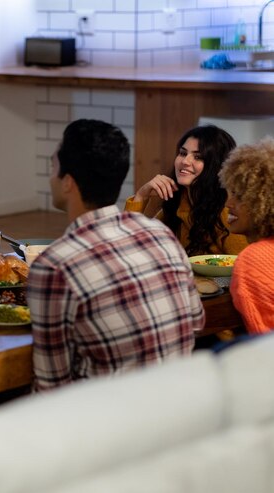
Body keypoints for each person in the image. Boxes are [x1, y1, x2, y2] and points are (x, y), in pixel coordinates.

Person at [27, 119, 204, 392]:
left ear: (68, 183)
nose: (51, 176)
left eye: (53, 167)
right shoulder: (161, 234)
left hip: (113, 426)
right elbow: (195, 322)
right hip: (181, 409)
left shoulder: (54, 265)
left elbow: (52, 387)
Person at [125, 125, 247, 255]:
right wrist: (141, 196)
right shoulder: (177, 202)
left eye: (198, 157)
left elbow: (247, 266)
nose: (185, 161)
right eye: (183, 153)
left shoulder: (227, 210)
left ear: (216, 165)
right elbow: (127, 245)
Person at [218, 137, 274, 334]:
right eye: (230, 193)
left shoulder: (253, 259)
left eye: (239, 196)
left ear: (264, 203)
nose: (228, 204)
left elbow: (264, 343)